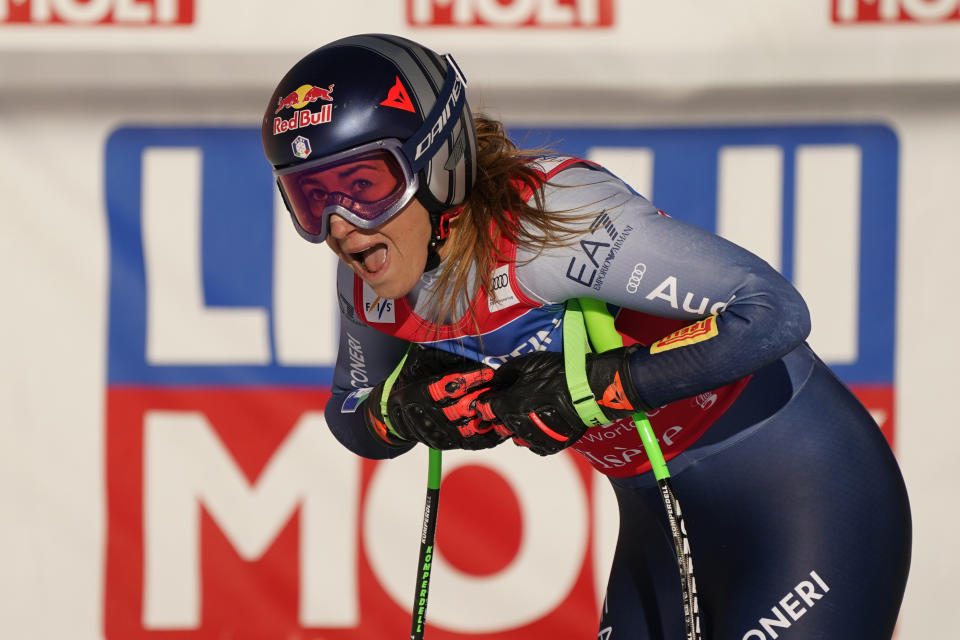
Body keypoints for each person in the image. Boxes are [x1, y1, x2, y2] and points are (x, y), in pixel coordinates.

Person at [261, 33, 911, 639]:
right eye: (310, 199)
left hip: (809, 499)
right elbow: (350, 412)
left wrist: (604, 387)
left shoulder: (553, 223)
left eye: (364, 186)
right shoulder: (371, 281)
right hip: (658, 523)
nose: (341, 227)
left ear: (439, 162)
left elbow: (771, 312)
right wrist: (404, 411)